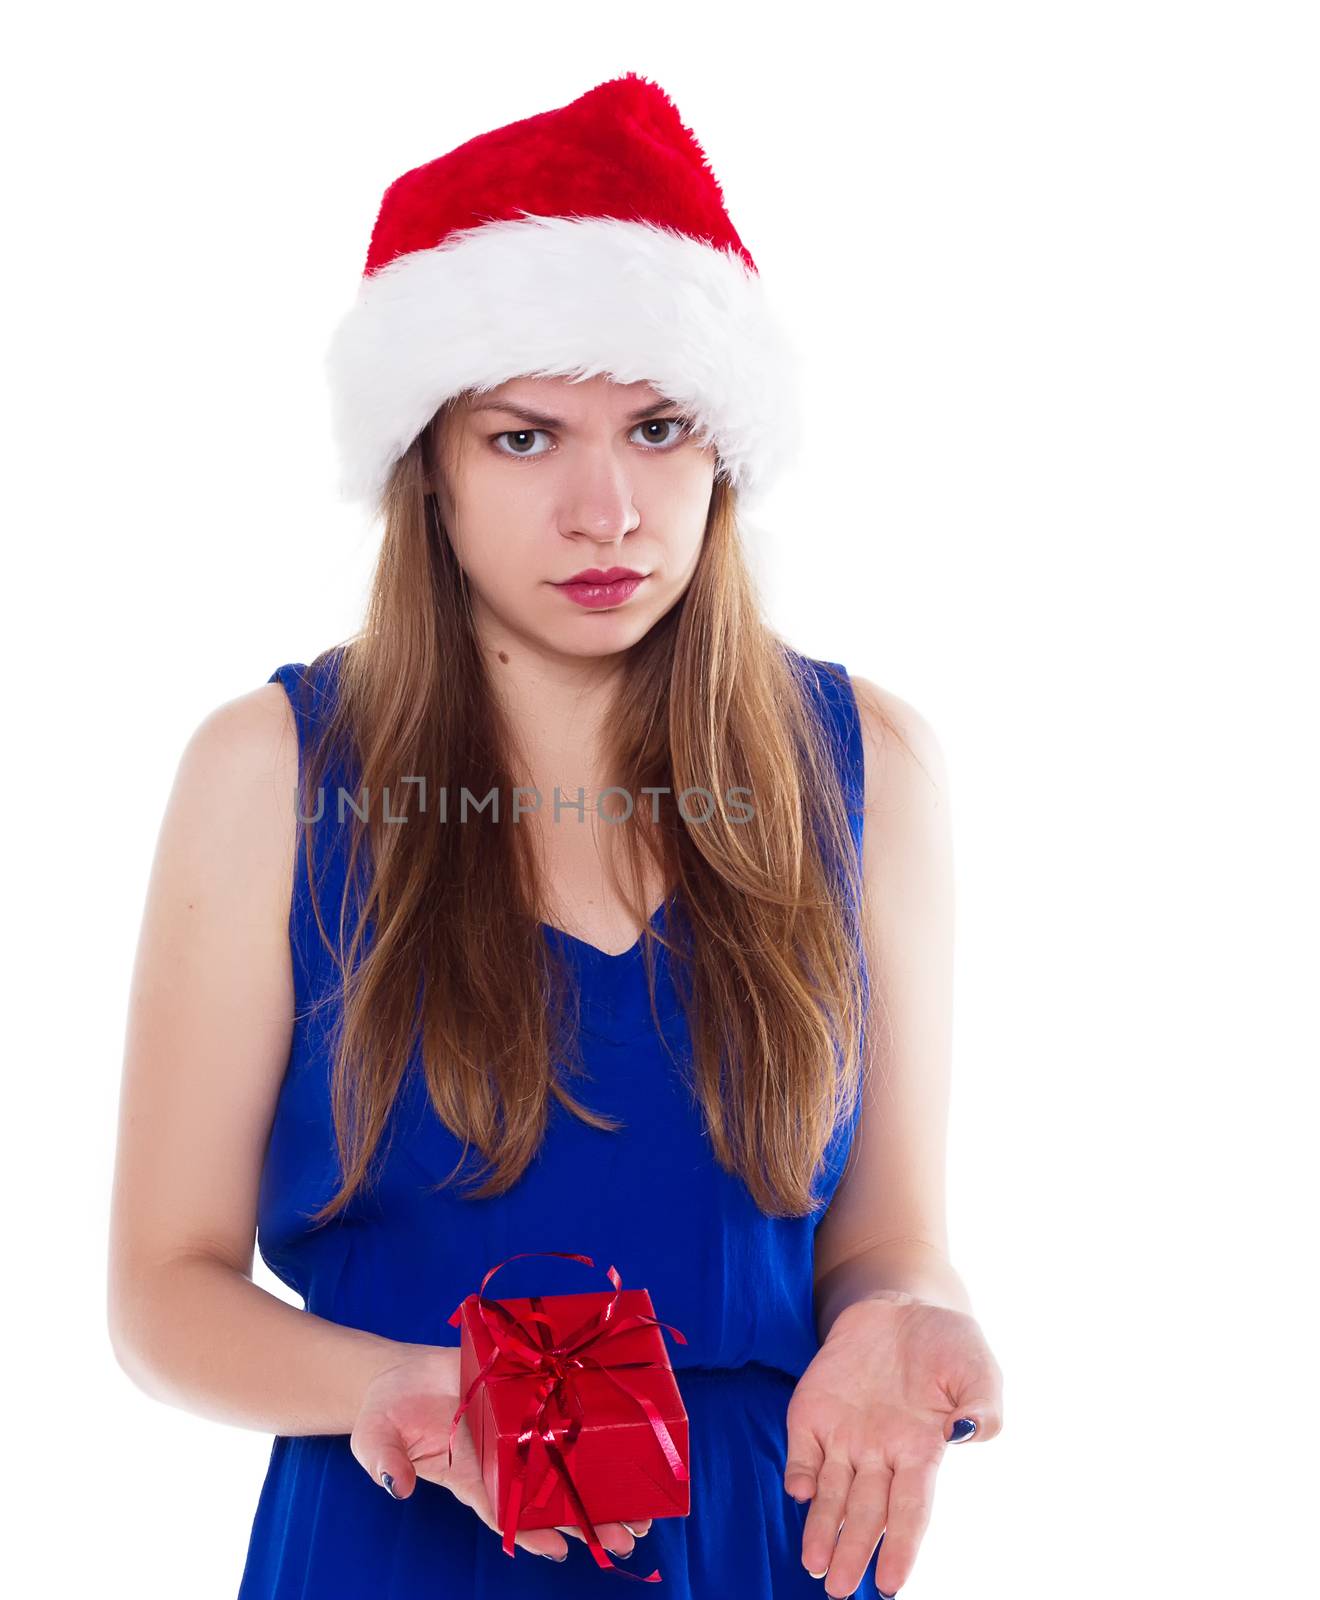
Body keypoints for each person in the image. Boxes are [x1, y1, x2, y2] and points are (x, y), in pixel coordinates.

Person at [107, 71, 1003, 1599]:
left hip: (760, 1546)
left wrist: (904, 1311)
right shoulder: (273, 772)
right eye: (527, 440)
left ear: (723, 451)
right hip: (403, 1534)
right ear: (432, 474)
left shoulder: (872, 767)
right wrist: (389, 1387)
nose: (610, 511)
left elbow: (883, 1236)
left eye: (659, 428)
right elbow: (162, 1289)